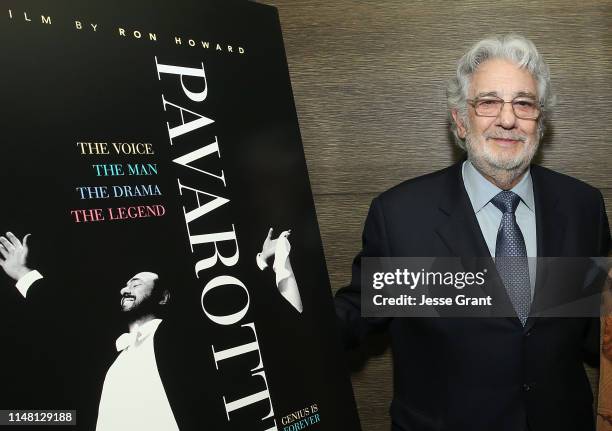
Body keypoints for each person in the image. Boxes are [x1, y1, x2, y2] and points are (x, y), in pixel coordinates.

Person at [334, 34, 611, 431]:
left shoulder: (582, 206)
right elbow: (351, 320)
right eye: (488, 102)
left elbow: (593, 329)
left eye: (524, 103)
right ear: (460, 121)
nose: (507, 119)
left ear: (541, 122)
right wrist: (280, 291)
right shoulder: (401, 216)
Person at [0, 232, 178, 431]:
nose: (124, 290)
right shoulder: (111, 354)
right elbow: (63, 315)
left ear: (163, 297)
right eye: (125, 285)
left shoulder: (177, 338)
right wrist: (21, 273)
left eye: (136, 284)